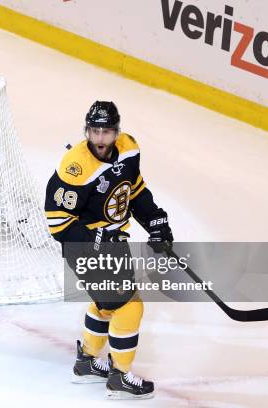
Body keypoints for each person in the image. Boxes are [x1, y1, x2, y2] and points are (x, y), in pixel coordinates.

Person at [44, 101, 173, 399]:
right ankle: (120, 376)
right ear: (87, 131)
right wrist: (95, 240)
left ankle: (87, 361)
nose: (100, 139)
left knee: (106, 304)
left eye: (107, 132)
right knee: (129, 305)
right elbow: (58, 223)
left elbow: (133, 190)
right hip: (84, 248)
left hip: (116, 241)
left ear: (117, 132)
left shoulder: (128, 148)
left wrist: (155, 220)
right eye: (95, 131)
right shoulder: (75, 167)